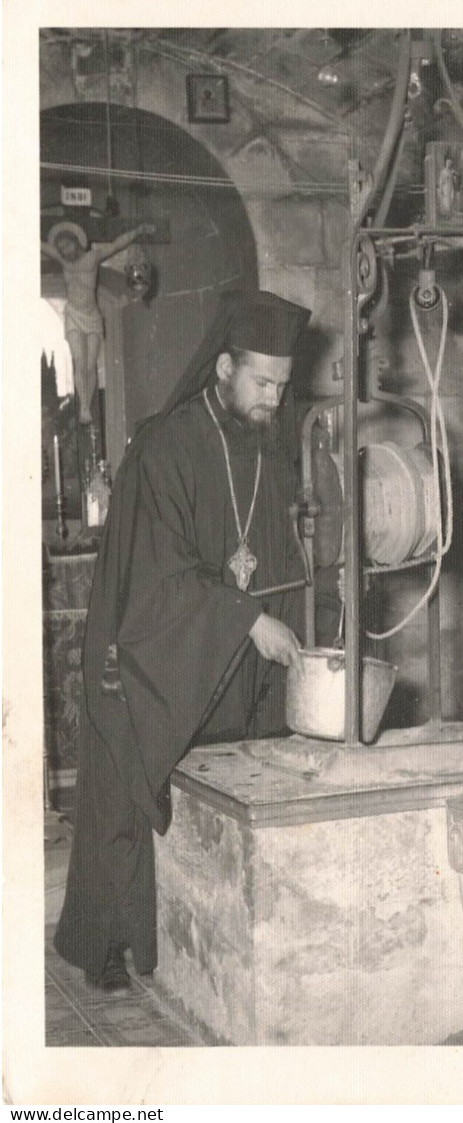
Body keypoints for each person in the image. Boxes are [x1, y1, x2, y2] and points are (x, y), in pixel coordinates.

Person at [54, 289, 316, 992]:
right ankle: (109, 937)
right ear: (224, 368)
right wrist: (243, 618)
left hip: (226, 650)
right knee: (124, 784)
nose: (272, 399)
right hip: (148, 649)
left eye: (282, 387)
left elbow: (281, 557)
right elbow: (159, 574)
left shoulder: (269, 450)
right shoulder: (163, 446)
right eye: (262, 383)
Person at [41, 220, 156, 425]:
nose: (65, 250)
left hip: (92, 316)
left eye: (68, 245)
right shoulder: (63, 261)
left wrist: (138, 230)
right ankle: (84, 405)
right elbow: (39, 245)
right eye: (62, 248)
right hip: (74, 315)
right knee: (79, 359)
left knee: (91, 363)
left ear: (77, 242)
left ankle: (87, 402)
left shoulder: (93, 258)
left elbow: (117, 245)